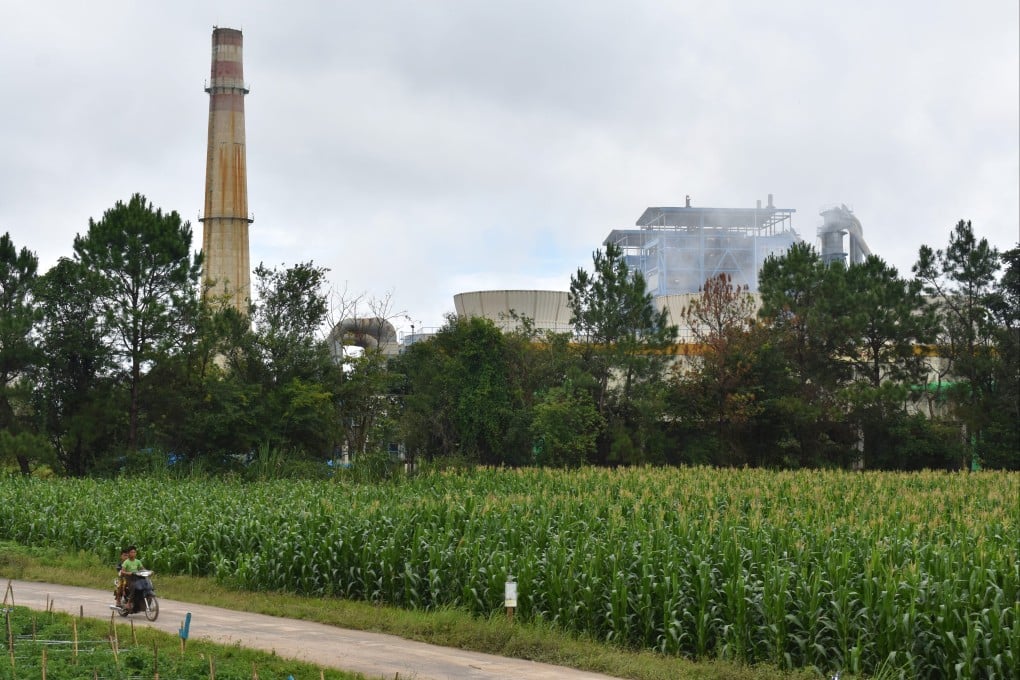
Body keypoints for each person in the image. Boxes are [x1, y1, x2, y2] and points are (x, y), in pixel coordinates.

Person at [119, 546, 144, 610]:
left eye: (134, 552)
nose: (133, 553)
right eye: (131, 552)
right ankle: (128, 603)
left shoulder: (138, 561)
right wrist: (129, 573)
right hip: (129, 579)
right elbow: (122, 571)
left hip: (137, 578)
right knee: (134, 588)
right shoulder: (126, 562)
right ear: (129, 553)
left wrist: (149, 571)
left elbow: (142, 569)